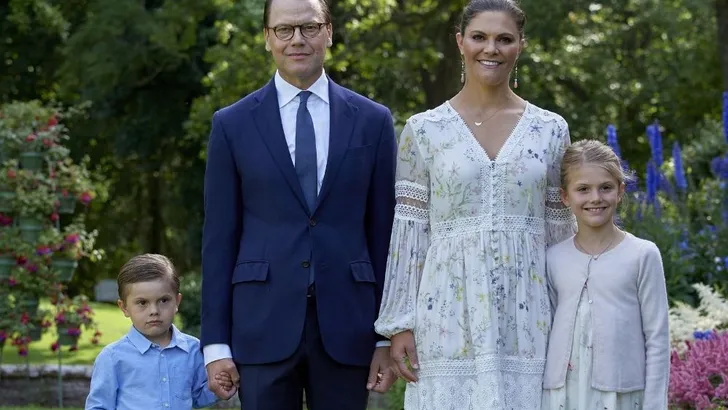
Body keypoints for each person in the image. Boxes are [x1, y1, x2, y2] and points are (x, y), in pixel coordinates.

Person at [374, 0, 577, 408]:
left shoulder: (551, 130)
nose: (492, 48)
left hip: (529, 316)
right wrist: (399, 326)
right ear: (460, 43)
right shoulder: (423, 130)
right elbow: (410, 235)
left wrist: (572, 314)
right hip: (447, 315)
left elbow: (561, 234)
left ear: (520, 45)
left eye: (504, 39)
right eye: (480, 37)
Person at [200, 0, 397, 408]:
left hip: (349, 325)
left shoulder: (373, 121)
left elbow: (385, 235)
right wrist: (215, 344)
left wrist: (385, 335)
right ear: (268, 38)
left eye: (309, 28)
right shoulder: (231, 124)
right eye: (284, 30)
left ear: (328, 32)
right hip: (261, 324)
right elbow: (219, 238)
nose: (297, 40)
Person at [542, 139, 670, 409]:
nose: (595, 198)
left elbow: (657, 338)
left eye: (606, 188)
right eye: (583, 189)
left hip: (621, 395)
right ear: (565, 196)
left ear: (620, 191)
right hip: (562, 395)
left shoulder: (642, 255)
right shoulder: (553, 258)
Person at [85, 254, 235, 410]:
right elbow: (98, 406)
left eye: (163, 300)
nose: (154, 311)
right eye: (142, 302)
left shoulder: (194, 350)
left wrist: (218, 388)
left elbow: (197, 396)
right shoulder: (112, 357)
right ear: (124, 307)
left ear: (177, 302)